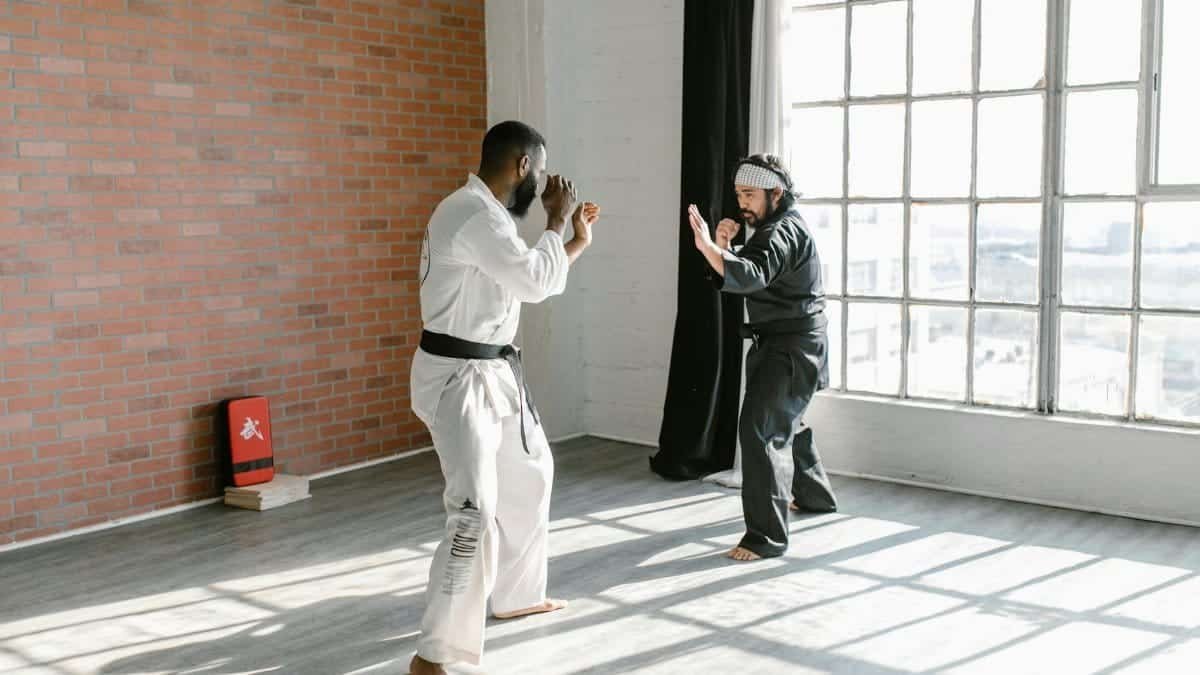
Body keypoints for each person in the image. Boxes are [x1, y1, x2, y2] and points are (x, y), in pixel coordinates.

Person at [408, 120, 600, 674]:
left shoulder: (485, 216)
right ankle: (434, 656)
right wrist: (558, 219)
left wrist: (574, 243)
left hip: (492, 371)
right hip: (458, 378)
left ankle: (515, 595)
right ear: (523, 166)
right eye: (540, 172)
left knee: (532, 472)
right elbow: (536, 282)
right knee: (473, 512)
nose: (542, 184)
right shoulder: (470, 215)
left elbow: (526, 277)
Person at [686, 153, 837, 562]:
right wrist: (723, 247)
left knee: (760, 430)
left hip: (792, 347)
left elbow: (750, 276)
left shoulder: (781, 231)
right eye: (738, 194)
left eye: (749, 194)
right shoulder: (773, 226)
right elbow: (753, 272)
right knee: (787, 420)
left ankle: (765, 538)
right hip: (789, 343)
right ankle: (816, 497)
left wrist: (706, 246)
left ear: (776, 192)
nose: (743, 203)